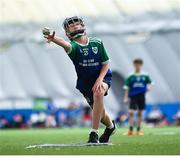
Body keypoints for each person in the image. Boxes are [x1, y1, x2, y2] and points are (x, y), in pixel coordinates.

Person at [43, 16, 116, 143]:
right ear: (68, 32)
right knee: (101, 114)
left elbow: (105, 63)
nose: (75, 25)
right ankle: (110, 127)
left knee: (98, 92)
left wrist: (100, 80)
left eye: (77, 23)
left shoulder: (97, 42)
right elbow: (63, 43)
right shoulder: (73, 47)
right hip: (85, 83)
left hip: (103, 77)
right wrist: (53, 38)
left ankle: (94, 133)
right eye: (71, 25)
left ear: (83, 26)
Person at [123, 58, 153, 135]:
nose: (137, 66)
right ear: (134, 65)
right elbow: (127, 87)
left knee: (140, 113)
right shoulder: (131, 76)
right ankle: (130, 130)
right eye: (136, 65)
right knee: (131, 112)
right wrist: (125, 97)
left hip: (141, 96)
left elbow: (150, 83)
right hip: (133, 96)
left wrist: (149, 87)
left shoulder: (145, 75)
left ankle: (138, 130)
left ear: (141, 65)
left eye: (139, 65)